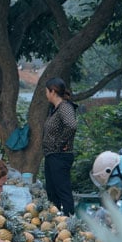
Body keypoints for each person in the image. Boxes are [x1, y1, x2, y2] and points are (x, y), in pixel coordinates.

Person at [42, 77, 78, 216]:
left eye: (46, 91)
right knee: (52, 191)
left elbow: (71, 125)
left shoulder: (65, 107)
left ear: (52, 91)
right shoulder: (54, 109)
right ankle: (55, 223)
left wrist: (61, 143)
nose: (46, 94)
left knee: (63, 191)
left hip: (60, 156)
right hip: (51, 155)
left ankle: (70, 221)